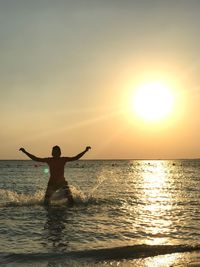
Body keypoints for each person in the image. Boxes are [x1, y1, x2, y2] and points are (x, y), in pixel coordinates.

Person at [19, 145, 91, 206]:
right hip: (52, 183)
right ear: (52, 153)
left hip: (62, 183)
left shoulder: (63, 159)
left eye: (57, 151)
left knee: (71, 201)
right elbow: (36, 159)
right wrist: (25, 152)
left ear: (60, 153)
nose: (55, 153)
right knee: (46, 202)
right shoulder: (49, 160)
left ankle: (69, 211)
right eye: (54, 151)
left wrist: (85, 151)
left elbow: (76, 157)